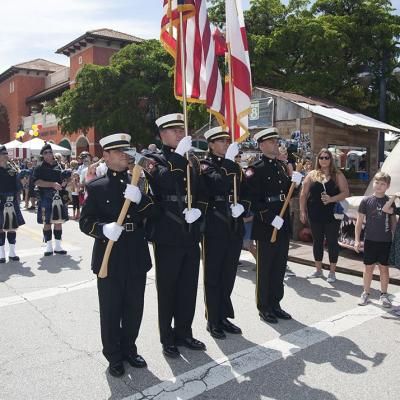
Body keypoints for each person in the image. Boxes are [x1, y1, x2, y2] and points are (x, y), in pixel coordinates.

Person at [79, 133, 155, 378]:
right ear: (106, 156)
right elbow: (85, 222)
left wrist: (140, 198)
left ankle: (129, 349)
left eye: (127, 151)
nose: (125, 155)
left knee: (134, 307)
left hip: (135, 251)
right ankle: (113, 355)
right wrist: (103, 229)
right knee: (111, 309)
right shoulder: (96, 187)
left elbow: (154, 211)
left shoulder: (138, 183)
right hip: (109, 256)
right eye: (119, 151)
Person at [145, 113, 207, 358]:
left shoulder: (192, 159)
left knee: (188, 286)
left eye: (182, 130)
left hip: (190, 231)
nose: (181, 134)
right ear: (162, 135)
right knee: (168, 286)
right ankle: (167, 336)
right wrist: (179, 157)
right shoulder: (152, 159)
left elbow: (202, 192)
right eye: (175, 130)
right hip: (168, 231)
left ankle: (185, 332)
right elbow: (163, 181)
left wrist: (199, 210)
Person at [245, 128, 303, 324]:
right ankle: (264, 307)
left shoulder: (280, 166)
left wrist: (296, 183)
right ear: (262, 145)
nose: (276, 144)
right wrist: (270, 218)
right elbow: (253, 200)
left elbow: (288, 194)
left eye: (276, 141)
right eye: (271, 141)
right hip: (266, 224)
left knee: (279, 267)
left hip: (283, 221)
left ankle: (276, 304)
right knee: (265, 268)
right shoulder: (255, 169)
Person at [200, 127, 250, 339]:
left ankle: (223, 316)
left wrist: (243, 208)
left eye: (227, 140)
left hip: (234, 224)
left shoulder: (235, 166)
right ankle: (213, 319)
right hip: (214, 225)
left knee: (228, 274)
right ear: (211, 145)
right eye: (221, 141)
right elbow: (217, 185)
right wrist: (229, 162)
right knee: (213, 275)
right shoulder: (204, 165)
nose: (226, 143)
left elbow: (247, 191)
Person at [299, 148, 349, 283]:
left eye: (327, 157)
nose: (324, 160)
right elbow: (303, 194)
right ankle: (318, 270)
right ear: (318, 160)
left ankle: (332, 272)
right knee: (317, 241)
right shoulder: (312, 175)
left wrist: (332, 199)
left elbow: (345, 192)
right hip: (314, 213)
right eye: (321, 158)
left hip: (332, 214)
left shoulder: (337, 174)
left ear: (331, 159)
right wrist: (302, 211)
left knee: (332, 242)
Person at [355, 172, 396, 308]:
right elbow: (359, 221)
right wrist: (356, 240)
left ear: (387, 186)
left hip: (385, 241)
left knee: (384, 268)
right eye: (377, 183)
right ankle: (366, 293)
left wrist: (395, 239)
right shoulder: (366, 201)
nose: (379, 186)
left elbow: (393, 222)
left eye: (382, 184)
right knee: (368, 268)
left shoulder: (390, 201)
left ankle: (384, 294)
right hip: (370, 240)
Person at [32, 143, 70, 256]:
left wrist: (65, 182)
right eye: (46, 153)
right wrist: (52, 184)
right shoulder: (39, 168)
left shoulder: (59, 166)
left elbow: (65, 180)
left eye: (50, 152)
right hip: (45, 197)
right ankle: (48, 247)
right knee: (47, 222)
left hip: (58, 197)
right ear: (42, 155)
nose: (49, 154)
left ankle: (58, 246)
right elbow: (37, 182)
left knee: (58, 221)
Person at [0, 145, 25, 263]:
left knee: (11, 226)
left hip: (12, 198)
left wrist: (22, 180)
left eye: (6, 153)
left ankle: (12, 252)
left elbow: (19, 185)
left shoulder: (13, 168)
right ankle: (1, 253)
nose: (6, 155)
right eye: (3, 153)